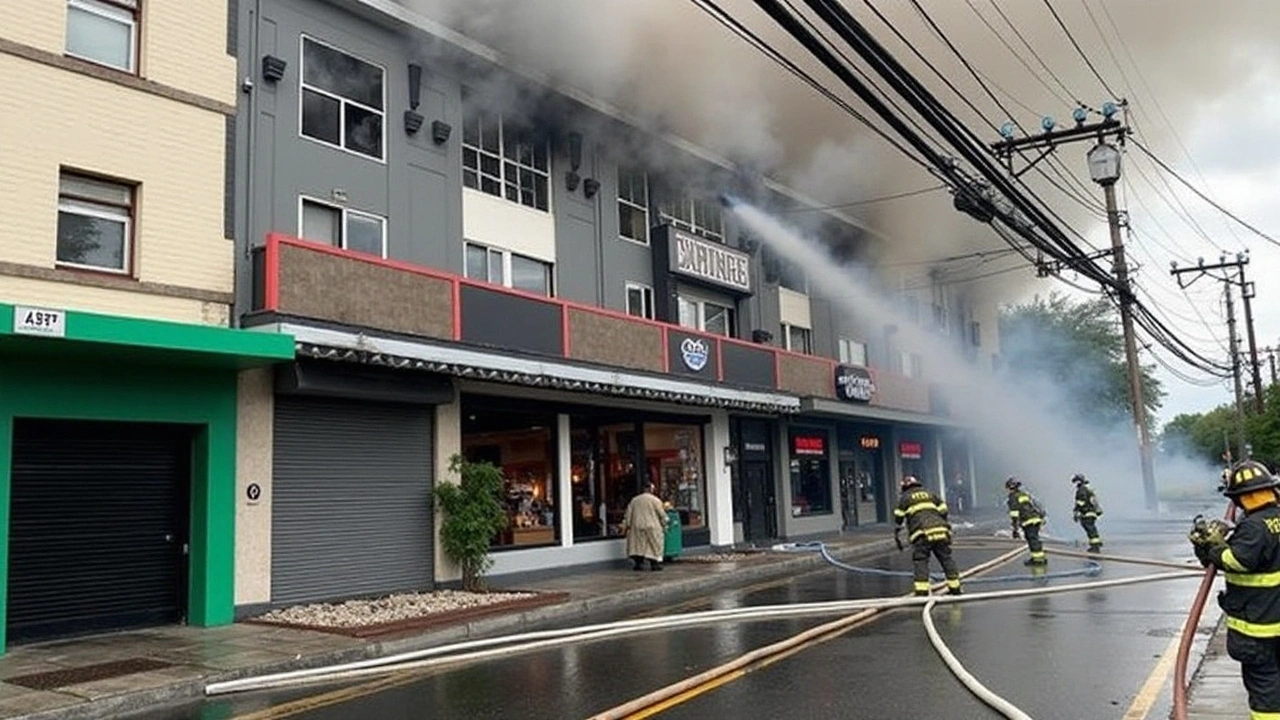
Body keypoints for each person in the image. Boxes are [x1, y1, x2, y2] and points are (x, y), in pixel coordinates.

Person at [1189, 460, 1280, 720]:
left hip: (1258, 627)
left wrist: (1214, 550)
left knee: (1265, 688)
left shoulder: (1253, 526)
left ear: (1241, 500)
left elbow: (1239, 561)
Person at [893, 475, 962, 597]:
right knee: (946, 558)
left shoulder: (905, 498)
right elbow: (944, 509)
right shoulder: (929, 493)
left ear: (904, 486)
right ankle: (955, 588)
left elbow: (898, 516)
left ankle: (922, 591)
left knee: (921, 560)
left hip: (922, 533)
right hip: (941, 530)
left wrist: (898, 527)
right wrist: (941, 522)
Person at [622, 483, 669, 571]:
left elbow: (628, 514)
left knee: (638, 546)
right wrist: (665, 523)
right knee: (653, 545)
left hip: (637, 525)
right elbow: (662, 514)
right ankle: (654, 564)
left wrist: (626, 525)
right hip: (652, 526)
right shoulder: (655, 500)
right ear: (651, 490)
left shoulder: (634, 500)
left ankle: (638, 564)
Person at [1006, 477, 1047, 566]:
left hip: (1028, 520)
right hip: (1035, 519)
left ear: (1011, 487)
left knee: (1032, 539)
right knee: (1033, 539)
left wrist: (1015, 529)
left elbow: (1014, 514)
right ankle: (1039, 558)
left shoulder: (1013, 497)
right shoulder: (1024, 494)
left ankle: (1038, 560)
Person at [1071, 473, 1104, 553]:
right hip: (1091, 512)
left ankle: (1095, 547)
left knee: (1090, 529)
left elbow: (1081, 502)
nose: (1075, 485)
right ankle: (1095, 544)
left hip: (1086, 513)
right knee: (1091, 529)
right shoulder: (1088, 489)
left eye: (1076, 482)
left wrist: (1076, 511)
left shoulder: (1082, 490)